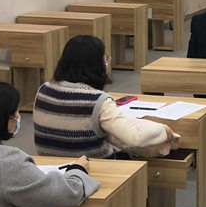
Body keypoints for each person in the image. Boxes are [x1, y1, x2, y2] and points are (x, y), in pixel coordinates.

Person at [34, 35, 180, 158]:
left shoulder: (43, 90)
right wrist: (164, 131)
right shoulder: (99, 101)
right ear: (97, 65)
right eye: (106, 59)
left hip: (50, 165)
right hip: (90, 166)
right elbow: (133, 138)